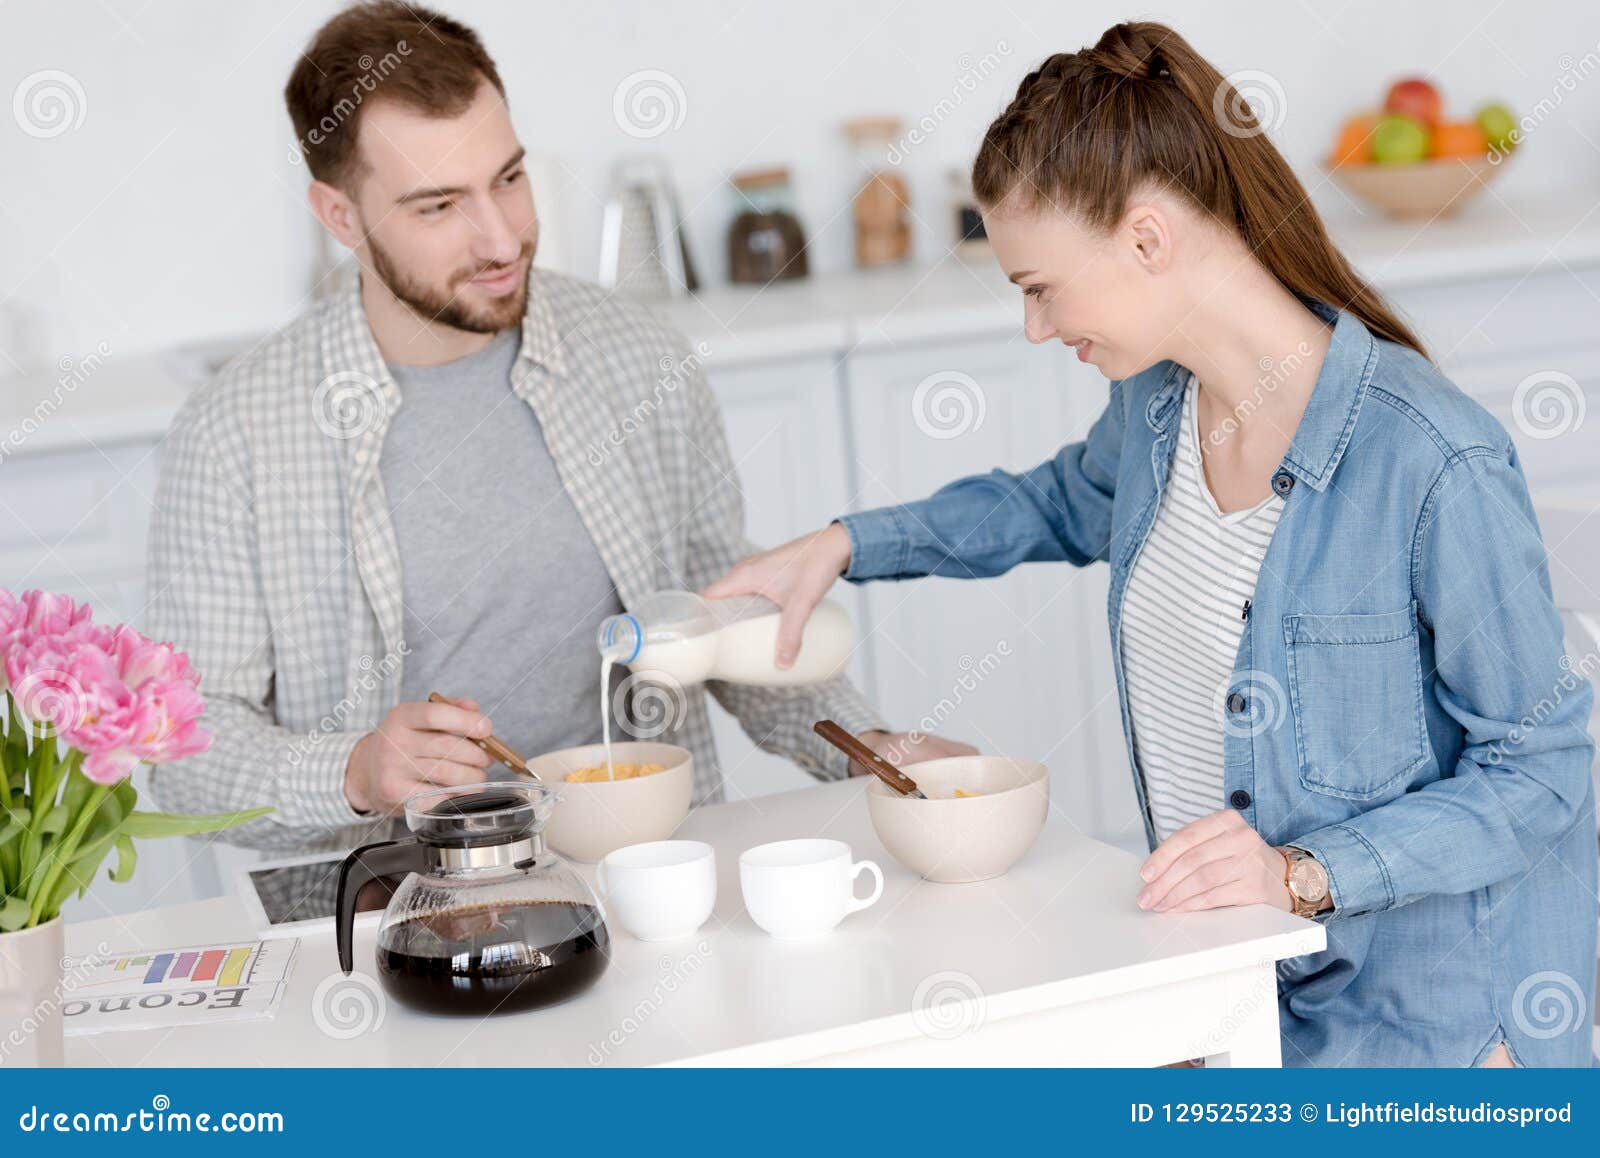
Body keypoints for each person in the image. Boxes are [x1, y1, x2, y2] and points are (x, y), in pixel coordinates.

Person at [704, 22, 1598, 1067]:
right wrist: (847, 544)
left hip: (1429, 1036)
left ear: (1146, 239)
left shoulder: (1429, 459)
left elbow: (1541, 771)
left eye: (1038, 286)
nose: (1035, 328)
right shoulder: (1158, 409)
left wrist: (1305, 872)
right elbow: (1055, 503)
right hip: (1238, 1003)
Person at [146, 1, 969, 855]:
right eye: (438, 207)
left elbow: (717, 621)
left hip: (645, 872)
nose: (503, 238)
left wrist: (866, 748)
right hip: (386, 911)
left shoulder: (636, 357)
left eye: (508, 178)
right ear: (341, 217)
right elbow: (183, 753)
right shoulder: (234, 433)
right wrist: (355, 771)